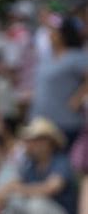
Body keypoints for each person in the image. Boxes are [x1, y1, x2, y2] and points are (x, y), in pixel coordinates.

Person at [0, 118, 78, 214]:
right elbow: (12, 186)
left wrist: (20, 189)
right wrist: (9, 191)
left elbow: (50, 188)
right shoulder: (30, 165)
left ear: (47, 142)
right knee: (14, 202)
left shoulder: (61, 161)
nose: (29, 144)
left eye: (33, 140)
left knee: (37, 203)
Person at [30, 16, 88, 147]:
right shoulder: (47, 56)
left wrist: (78, 98)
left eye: (53, 31)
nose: (50, 35)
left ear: (63, 34)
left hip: (65, 121)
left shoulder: (77, 56)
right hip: (41, 120)